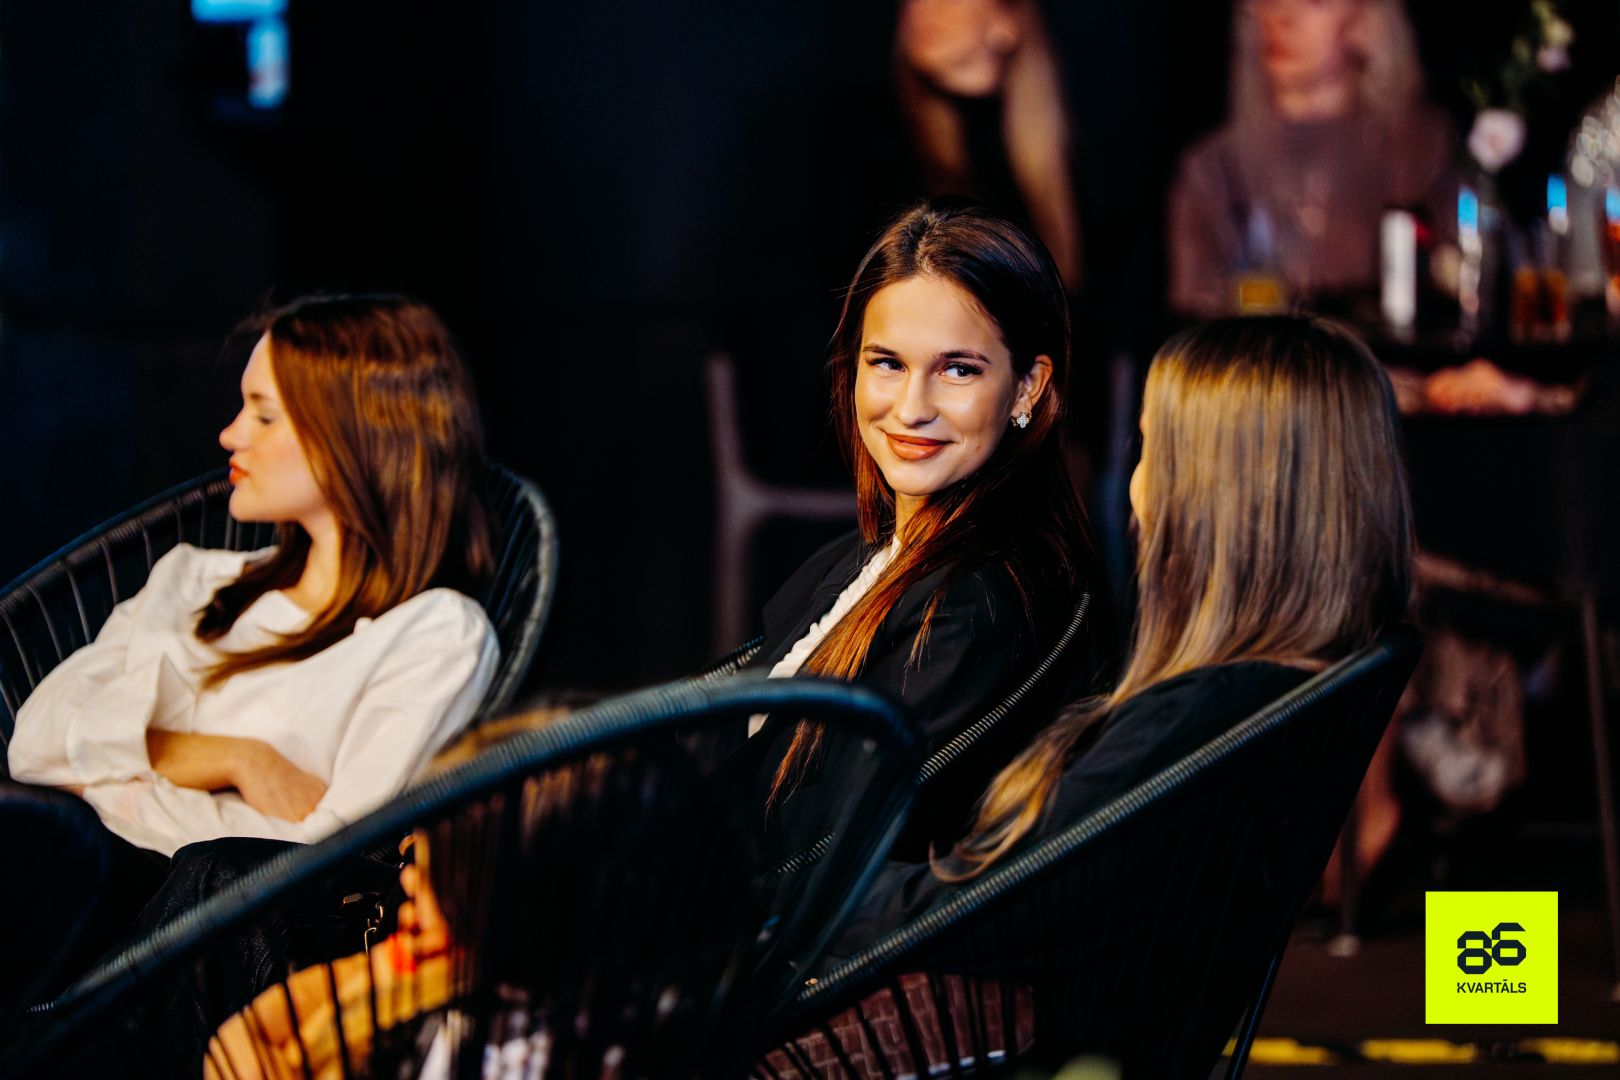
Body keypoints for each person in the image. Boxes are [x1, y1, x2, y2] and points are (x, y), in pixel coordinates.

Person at [834, 314, 1413, 949]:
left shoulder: (1192, 719)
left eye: (1149, 449)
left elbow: (984, 904)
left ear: (1204, 500)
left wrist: (784, 902)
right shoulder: (1278, 692)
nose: (1134, 486)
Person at [7, 292, 500, 971]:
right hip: (59, 882)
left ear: (355, 434)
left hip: (175, 937)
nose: (230, 436)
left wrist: (115, 771)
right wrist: (239, 760)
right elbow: (34, 744)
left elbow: (324, 861)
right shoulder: (194, 580)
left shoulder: (432, 634)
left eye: (264, 415)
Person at [738, 199, 1095, 853]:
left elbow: (820, 844)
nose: (911, 408)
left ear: (1027, 387)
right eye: (888, 363)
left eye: (958, 370)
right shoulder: (869, 556)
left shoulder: (977, 602)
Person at [1168, 0, 1457, 315]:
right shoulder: (1216, 168)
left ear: (1366, 20)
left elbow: (1456, 284)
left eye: (1314, 2)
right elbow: (1195, 309)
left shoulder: (1419, 152)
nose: (1283, 17)